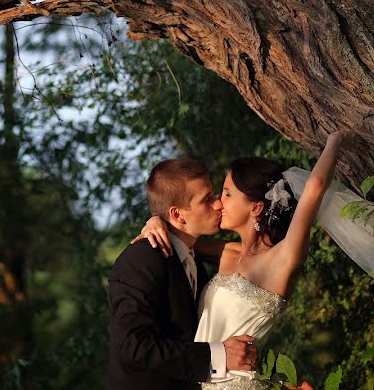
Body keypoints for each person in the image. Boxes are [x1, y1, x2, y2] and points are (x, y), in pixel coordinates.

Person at [134, 131, 355, 389]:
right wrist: (155, 220)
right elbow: (180, 232)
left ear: (255, 207)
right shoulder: (226, 252)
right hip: (203, 377)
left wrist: (335, 141)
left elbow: (315, 187)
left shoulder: (282, 258)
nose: (218, 203)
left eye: (226, 193)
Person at [107, 158, 259, 390]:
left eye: (214, 194)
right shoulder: (141, 259)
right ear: (177, 215)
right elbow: (133, 347)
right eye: (206, 199)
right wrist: (218, 356)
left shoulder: (192, 258)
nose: (218, 204)